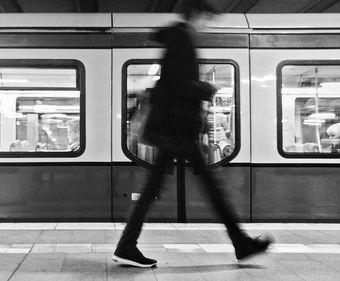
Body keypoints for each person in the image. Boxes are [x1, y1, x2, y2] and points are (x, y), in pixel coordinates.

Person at [112, 0, 273, 268]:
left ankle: (127, 246)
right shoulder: (182, 40)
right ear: (196, 16)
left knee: (184, 187)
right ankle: (240, 243)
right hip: (178, 129)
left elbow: (170, 84)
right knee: (212, 188)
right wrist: (208, 88)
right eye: (206, 19)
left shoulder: (178, 38)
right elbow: (177, 85)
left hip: (174, 128)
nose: (206, 25)